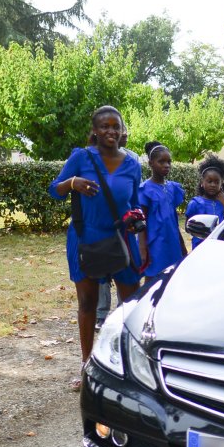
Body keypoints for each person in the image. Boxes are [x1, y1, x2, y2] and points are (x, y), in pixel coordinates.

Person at [49, 106, 147, 391]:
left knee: (129, 306)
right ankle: (87, 367)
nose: (110, 131)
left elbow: (136, 201)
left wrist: (137, 224)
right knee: (88, 304)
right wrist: (72, 182)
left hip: (122, 239)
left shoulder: (132, 163)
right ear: (94, 131)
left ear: (122, 129)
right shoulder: (81, 157)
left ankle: (128, 367)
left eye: (115, 126)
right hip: (86, 237)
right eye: (104, 126)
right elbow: (54, 190)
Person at [96, 127, 139, 329]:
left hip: (125, 227)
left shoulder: (133, 159)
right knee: (102, 274)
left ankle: (123, 313)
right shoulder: (96, 158)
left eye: (126, 135)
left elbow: (133, 195)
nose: (125, 138)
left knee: (125, 269)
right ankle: (101, 313)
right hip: (102, 226)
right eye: (123, 134)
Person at [139, 141, 187, 286]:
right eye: (161, 161)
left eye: (169, 162)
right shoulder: (145, 189)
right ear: (151, 163)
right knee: (153, 281)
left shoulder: (172, 188)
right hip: (155, 244)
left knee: (171, 281)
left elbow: (173, 218)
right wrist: (143, 249)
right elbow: (142, 222)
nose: (166, 165)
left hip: (172, 242)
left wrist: (182, 244)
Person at [185, 155, 224, 248]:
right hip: (200, 249)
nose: (213, 185)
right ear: (202, 182)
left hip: (223, 248)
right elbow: (188, 228)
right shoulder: (195, 204)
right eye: (209, 181)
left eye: (217, 182)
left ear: (221, 184)